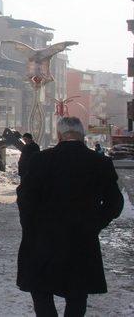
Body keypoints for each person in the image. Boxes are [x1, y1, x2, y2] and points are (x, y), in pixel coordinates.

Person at [17, 117, 123, 316]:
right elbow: (115, 203)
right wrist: (94, 224)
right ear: (83, 136)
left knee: (41, 290)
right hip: (81, 241)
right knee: (77, 293)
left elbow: (25, 198)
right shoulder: (100, 162)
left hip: (43, 240)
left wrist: (31, 227)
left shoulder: (40, 160)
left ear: (59, 135)